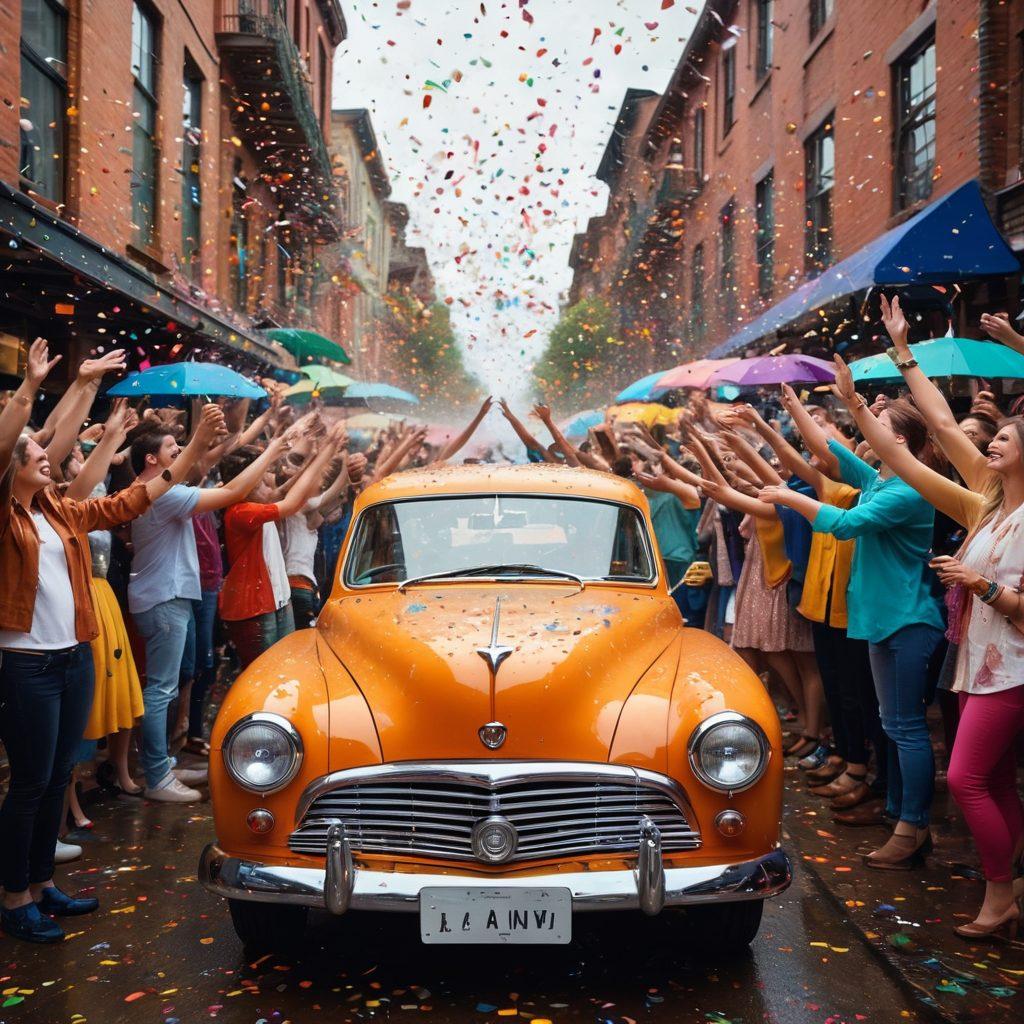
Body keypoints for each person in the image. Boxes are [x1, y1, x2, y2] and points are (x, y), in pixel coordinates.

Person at [0, 340, 226, 943]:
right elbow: (23, 438)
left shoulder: (59, 509)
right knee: (29, 783)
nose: (47, 457)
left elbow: (130, 499)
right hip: (24, 666)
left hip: (73, 657)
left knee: (56, 776)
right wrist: (39, 387)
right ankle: (14, 897)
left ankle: (42, 884)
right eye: (36, 453)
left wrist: (190, 453)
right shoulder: (5, 514)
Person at [857, 295, 1024, 936]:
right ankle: (1009, 879)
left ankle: (999, 894)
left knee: (965, 778)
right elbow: (937, 430)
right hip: (977, 662)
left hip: (1012, 667)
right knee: (996, 780)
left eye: (1005, 435)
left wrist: (980, 585)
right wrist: (901, 354)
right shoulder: (985, 504)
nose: (992, 438)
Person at [760, 363, 945, 870]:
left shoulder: (910, 489)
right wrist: (795, 406)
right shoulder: (883, 479)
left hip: (908, 621)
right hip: (882, 618)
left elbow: (844, 523)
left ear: (900, 441)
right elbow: (831, 451)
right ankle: (899, 816)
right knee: (893, 724)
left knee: (905, 728)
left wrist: (788, 497)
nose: (868, 433)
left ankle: (912, 826)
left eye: (878, 427)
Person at [127, 414, 282, 803]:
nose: (178, 450)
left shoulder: (158, 488)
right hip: (164, 599)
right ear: (151, 459)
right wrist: (273, 450)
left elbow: (202, 466)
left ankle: (163, 764)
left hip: (166, 596)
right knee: (161, 689)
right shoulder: (161, 493)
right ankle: (157, 777)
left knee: (166, 687)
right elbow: (233, 491)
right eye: (170, 447)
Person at [219, 425, 344, 667]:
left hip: (278, 599)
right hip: (254, 607)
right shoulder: (240, 512)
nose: (271, 488)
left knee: (286, 666)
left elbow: (287, 490)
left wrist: (321, 455)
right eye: (262, 484)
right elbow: (291, 502)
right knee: (264, 671)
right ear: (246, 487)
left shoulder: (256, 504)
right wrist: (326, 452)